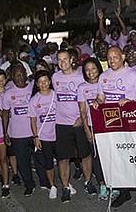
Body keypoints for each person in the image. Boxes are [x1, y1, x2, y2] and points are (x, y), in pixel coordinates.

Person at [96, 46, 136, 208]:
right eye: (109, 57)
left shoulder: (134, 75)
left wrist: (131, 103)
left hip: (131, 125)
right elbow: (100, 97)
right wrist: (96, 103)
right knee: (118, 160)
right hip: (111, 125)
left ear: (123, 56)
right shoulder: (103, 77)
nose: (112, 60)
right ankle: (125, 192)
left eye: (115, 56)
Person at [52, 49, 97, 203]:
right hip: (61, 124)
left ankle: (88, 181)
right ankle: (65, 187)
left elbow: (85, 99)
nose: (62, 62)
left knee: (85, 155)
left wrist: (81, 118)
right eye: (59, 60)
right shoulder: (55, 77)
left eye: (65, 59)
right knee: (63, 158)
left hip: (79, 123)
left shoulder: (80, 76)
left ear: (71, 60)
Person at [2, 64, 36, 196]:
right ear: (12, 77)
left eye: (22, 74)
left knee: (40, 159)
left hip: (35, 132)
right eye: (16, 75)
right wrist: (5, 133)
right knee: (23, 161)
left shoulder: (34, 87)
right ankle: (29, 184)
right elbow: (5, 113)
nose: (20, 77)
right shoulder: (8, 93)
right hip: (17, 133)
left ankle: (45, 182)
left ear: (26, 74)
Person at [78, 57, 108, 199]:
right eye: (87, 70)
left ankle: (113, 184)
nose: (90, 72)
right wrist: (86, 130)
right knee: (96, 157)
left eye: (93, 68)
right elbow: (82, 111)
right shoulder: (82, 88)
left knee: (109, 156)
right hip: (91, 126)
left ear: (99, 69)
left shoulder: (106, 82)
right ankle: (102, 184)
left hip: (108, 125)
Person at [28, 71, 58, 199]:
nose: (43, 84)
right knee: (48, 163)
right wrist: (36, 137)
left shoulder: (56, 95)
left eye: (46, 81)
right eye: (40, 82)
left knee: (63, 160)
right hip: (44, 136)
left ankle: (66, 184)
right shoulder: (34, 100)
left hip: (58, 133)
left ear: (50, 82)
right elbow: (33, 120)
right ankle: (52, 186)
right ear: (37, 84)